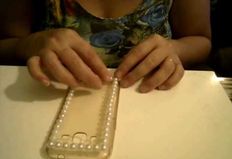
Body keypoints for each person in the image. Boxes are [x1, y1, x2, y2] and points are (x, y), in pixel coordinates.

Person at [0, 0, 211, 93]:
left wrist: (175, 49)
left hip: (152, 104)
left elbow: (201, 39)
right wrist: (33, 44)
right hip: (48, 99)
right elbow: (6, 43)